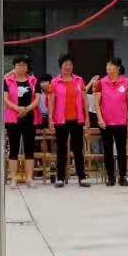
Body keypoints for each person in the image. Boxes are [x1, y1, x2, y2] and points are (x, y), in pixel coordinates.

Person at [89, 58, 128, 187]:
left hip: (121, 122)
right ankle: (111, 177)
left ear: (118, 68)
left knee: (121, 150)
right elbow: (96, 104)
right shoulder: (101, 83)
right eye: (107, 65)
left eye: (111, 65)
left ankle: (123, 177)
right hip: (106, 123)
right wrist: (100, 119)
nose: (108, 67)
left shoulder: (126, 82)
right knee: (107, 150)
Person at [47, 55, 89, 188]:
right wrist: (50, 119)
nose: (68, 67)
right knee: (61, 149)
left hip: (77, 119)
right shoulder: (55, 82)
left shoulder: (79, 80)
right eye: (65, 64)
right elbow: (51, 102)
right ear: (61, 66)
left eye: (70, 64)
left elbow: (85, 101)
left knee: (78, 149)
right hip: (60, 119)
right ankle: (60, 178)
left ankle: (82, 177)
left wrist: (87, 117)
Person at [2, 55, 38, 187]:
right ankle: (13, 178)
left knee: (29, 148)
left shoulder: (33, 80)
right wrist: (17, 108)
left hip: (29, 116)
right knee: (13, 148)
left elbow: (37, 98)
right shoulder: (7, 81)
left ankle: (29, 178)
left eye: (23, 65)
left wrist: (27, 109)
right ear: (14, 67)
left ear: (27, 67)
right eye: (18, 65)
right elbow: (5, 99)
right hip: (13, 117)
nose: (21, 67)